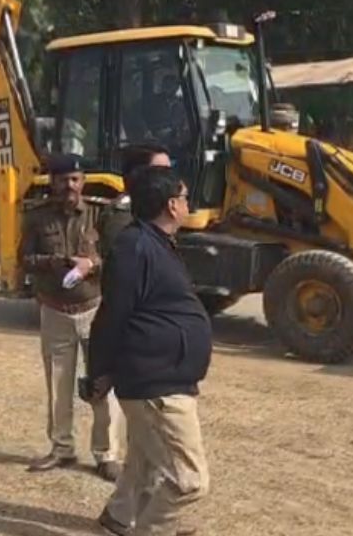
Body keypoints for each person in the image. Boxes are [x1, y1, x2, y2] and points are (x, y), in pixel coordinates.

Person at [88, 165, 212, 536]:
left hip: (167, 377)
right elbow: (112, 314)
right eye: (185, 198)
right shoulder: (135, 247)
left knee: (146, 463)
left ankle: (120, 517)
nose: (189, 204)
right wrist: (99, 372)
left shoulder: (157, 243)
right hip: (155, 384)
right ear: (171, 205)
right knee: (188, 480)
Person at [21, 153, 123, 481]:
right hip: (55, 309)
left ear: (83, 181)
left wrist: (91, 265)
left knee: (103, 383)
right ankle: (62, 448)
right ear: (52, 182)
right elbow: (24, 259)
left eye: (76, 179)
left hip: (94, 309)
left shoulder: (100, 214)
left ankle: (107, 454)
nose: (70, 186)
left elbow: (117, 257)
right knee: (58, 383)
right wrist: (53, 262)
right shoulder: (37, 217)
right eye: (63, 180)